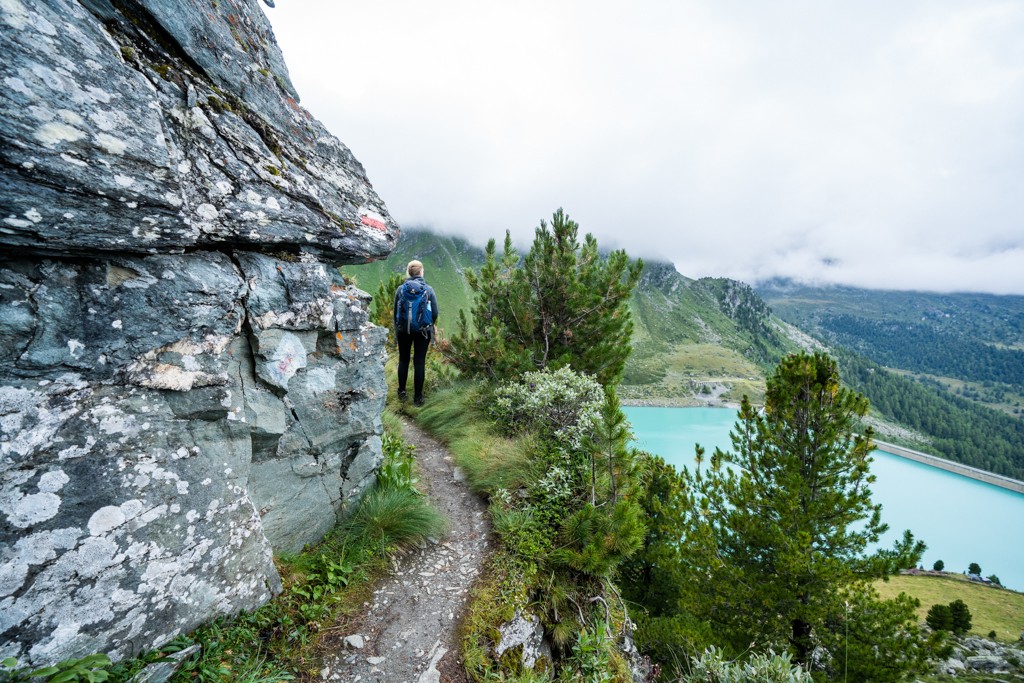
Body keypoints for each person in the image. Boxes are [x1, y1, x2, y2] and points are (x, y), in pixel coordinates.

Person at [393, 260, 439, 406]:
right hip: (422, 331)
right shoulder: (429, 290)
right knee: (419, 362)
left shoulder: (400, 289)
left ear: (409, 272)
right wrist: (428, 325)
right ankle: (418, 398)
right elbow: (435, 313)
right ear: (421, 272)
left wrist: (399, 327)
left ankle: (401, 392)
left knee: (403, 360)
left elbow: (395, 312)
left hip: (403, 330)